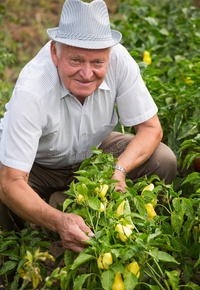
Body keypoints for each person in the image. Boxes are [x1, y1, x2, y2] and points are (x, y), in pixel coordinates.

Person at [0, 0, 177, 253]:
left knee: (163, 158)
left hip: (92, 155)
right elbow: (12, 181)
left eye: (97, 62)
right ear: (55, 52)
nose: (86, 73)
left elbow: (151, 129)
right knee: (4, 193)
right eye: (76, 60)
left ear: (109, 54)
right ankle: (29, 250)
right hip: (36, 163)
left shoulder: (118, 60)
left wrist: (119, 169)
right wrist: (58, 221)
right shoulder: (34, 90)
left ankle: (135, 233)